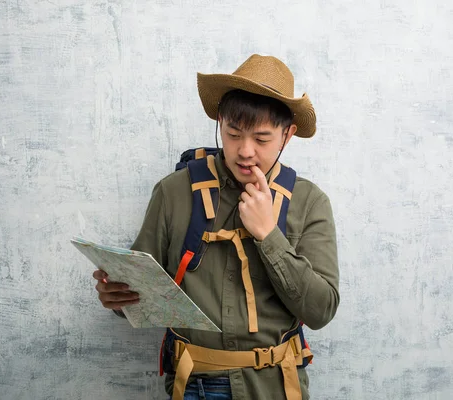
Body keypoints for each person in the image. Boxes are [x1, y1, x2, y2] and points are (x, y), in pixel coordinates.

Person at [93, 54, 340, 400]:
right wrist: (117, 297)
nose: (245, 151)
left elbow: (321, 310)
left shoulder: (309, 202)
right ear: (220, 123)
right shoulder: (174, 192)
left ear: (288, 134)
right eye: (233, 133)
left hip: (275, 388)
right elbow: (140, 289)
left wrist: (269, 235)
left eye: (263, 139)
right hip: (194, 385)